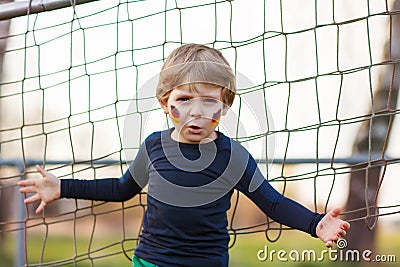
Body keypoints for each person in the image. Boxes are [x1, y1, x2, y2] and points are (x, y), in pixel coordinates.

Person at [19, 43, 350, 267]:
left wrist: (315, 223)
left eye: (209, 101)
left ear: (225, 104)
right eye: (185, 99)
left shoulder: (233, 156)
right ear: (166, 102)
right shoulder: (152, 147)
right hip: (151, 260)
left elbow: (273, 203)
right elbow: (121, 190)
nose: (197, 112)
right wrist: (63, 187)